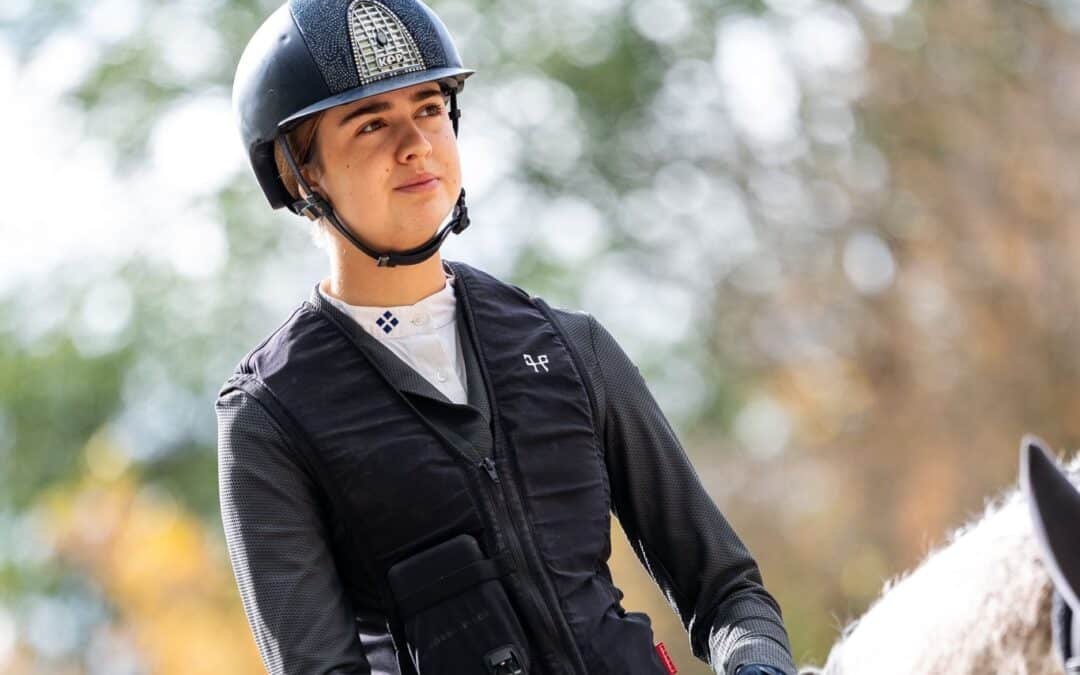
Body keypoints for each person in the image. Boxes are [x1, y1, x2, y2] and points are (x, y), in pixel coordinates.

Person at [217, 1, 798, 674]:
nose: (415, 143)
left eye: (430, 109)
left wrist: (758, 666)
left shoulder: (575, 348)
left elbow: (730, 593)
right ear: (301, 172)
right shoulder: (268, 416)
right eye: (371, 123)